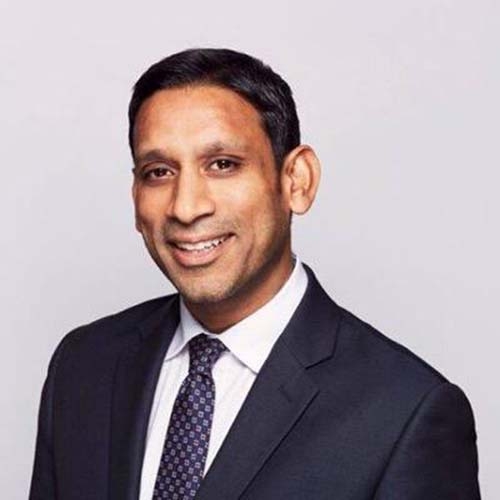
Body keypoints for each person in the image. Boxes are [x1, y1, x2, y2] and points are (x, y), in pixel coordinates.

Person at [29, 48, 480, 500]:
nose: (186, 207)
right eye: (159, 172)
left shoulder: (404, 413)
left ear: (297, 180)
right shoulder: (83, 366)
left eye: (223, 164)